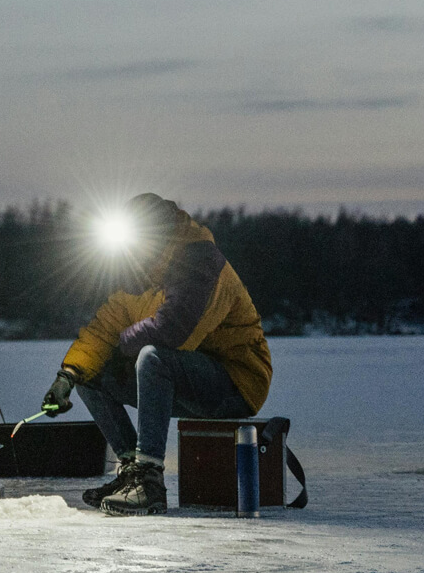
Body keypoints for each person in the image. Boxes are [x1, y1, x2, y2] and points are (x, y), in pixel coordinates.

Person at [41, 193, 272, 516]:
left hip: (236, 381)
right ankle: (131, 471)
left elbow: (175, 332)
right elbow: (102, 330)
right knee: (91, 373)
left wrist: (122, 345)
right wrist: (66, 377)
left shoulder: (201, 262)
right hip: (183, 377)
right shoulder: (136, 277)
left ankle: (148, 483)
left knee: (153, 357)